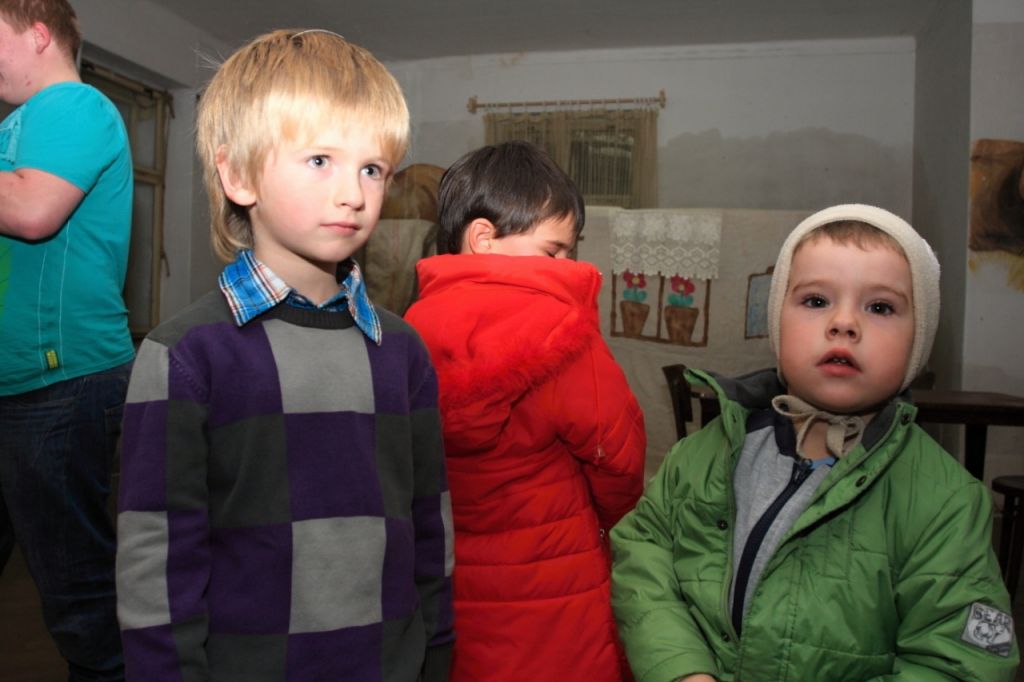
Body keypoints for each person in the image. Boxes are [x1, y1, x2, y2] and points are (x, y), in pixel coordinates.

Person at [115, 29, 453, 681]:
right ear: (239, 176)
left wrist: (436, 654)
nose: (354, 193)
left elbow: (428, 524)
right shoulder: (185, 356)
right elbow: (156, 563)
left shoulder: (403, 350)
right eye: (320, 160)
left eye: (373, 169)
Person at [610, 204, 1019, 682]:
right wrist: (681, 668)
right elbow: (644, 552)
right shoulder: (707, 452)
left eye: (880, 307)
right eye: (816, 300)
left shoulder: (945, 502)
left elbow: (961, 663)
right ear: (777, 321)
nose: (844, 323)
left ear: (919, 340)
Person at [404, 141, 646, 681]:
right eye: (553, 252)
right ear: (483, 238)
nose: (568, 267)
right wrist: (606, 526)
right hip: (555, 584)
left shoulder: (407, 330)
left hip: (453, 580)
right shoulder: (563, 335)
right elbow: (620, 459)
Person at [0, 1, 133, 679]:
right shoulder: (19, 124)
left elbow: (30, 211)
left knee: (77, 594)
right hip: (18, 381)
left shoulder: (74, 105)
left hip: (57, 381)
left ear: (37, 33)